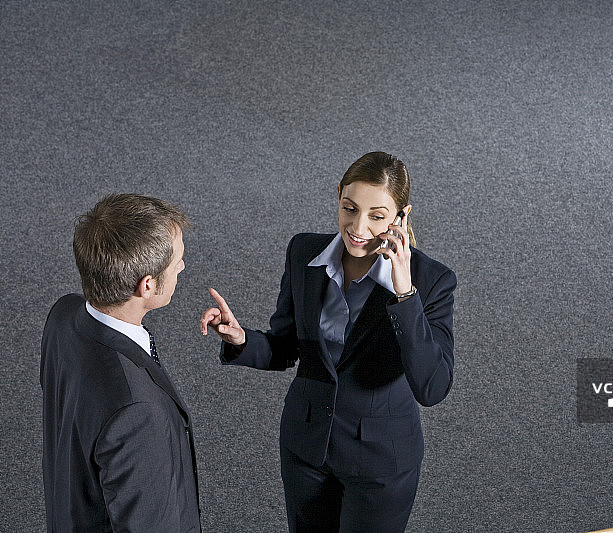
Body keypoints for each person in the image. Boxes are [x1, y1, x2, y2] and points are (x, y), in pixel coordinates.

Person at [201, 151, 457, 532]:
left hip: (380, 459)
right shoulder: (304, 252)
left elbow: (432, 387)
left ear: (401, 217)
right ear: (338, 195)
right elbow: (287, 347)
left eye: (377, 216)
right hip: (306, 447)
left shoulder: (432, 281)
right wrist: (241, 338)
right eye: (349, 208)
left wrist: (405, 296)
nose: (358, 226)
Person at [40, 193, 200, 532]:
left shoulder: (63, 314)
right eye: (177, 263)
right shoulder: (138, 412)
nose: (182, 267)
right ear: (147, 285)